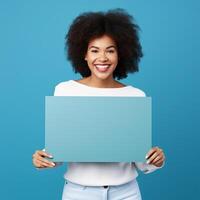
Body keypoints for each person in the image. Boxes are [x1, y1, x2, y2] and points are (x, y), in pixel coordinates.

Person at [32, 9, 165, 200]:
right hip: (79, 192)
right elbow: (61, 148)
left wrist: (156, 159)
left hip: (126, 192)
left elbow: (141, 161)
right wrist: (42, 158)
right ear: (83, 54)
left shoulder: (135, 96)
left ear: (120, 54)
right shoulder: (65, 90)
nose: (102, 58)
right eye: (94, 50)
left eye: (110, 50)